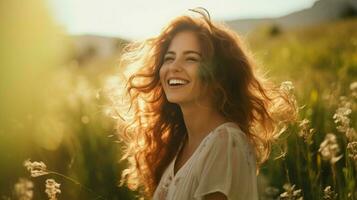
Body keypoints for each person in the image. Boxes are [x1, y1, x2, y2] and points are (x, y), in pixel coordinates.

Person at [116, 8, 297, 200]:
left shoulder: (224, 142)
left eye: (191, 58)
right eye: (169, 58)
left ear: (217, 75)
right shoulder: (182, 143)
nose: (174, 67)